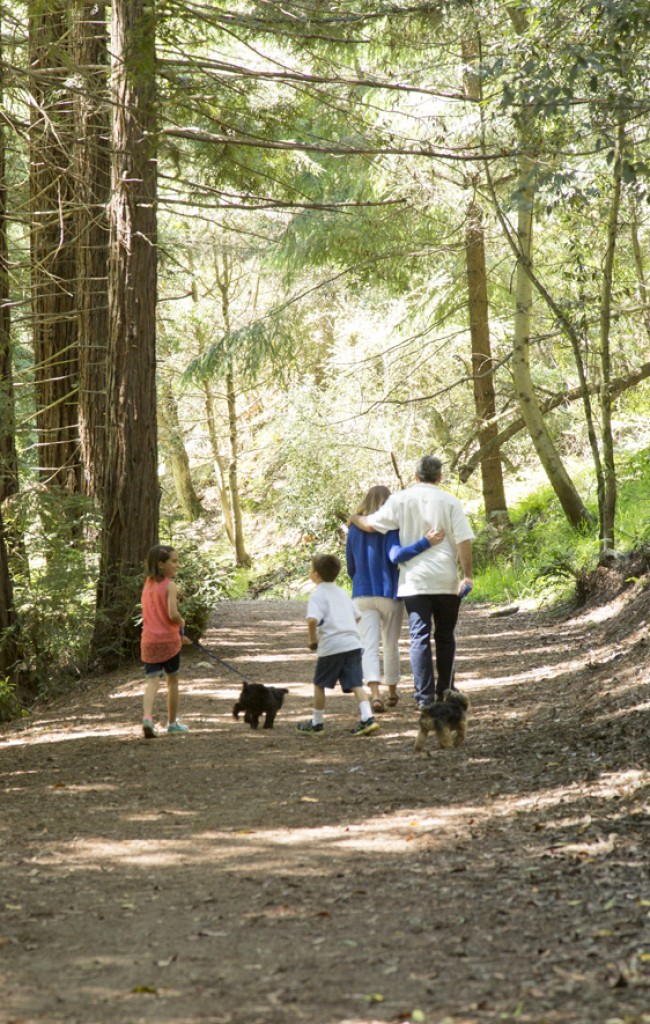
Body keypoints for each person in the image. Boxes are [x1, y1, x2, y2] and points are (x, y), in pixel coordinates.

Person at [348, 455, 474, 709]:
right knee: (446, 636)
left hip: (414, 581)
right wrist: (467, 575)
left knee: (420, 638)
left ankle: (424, 697)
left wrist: (354, 519)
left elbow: (371, 526)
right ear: (440, 477)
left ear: (415, 476)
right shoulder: (450, 501)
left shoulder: (400, 499)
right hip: (445, 579)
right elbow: (463, 541)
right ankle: (446, 689)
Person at [346, 485, 444, 713]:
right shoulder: (391, 528)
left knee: (368, 646)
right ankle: (391, 691)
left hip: (361, 594)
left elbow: (350, 566)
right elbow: (395, 556)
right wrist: (424, 543)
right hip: (389, 593)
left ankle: (375, 694)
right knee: (390, 644)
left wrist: (360, 581)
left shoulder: (353, 529)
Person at [297, 553, 379, 737]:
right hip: (352, 644)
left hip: (332, 646)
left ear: (316, 575)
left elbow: (312, 620)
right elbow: (357, 616)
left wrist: (312, 640)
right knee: (357, 684)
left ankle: (317, 723)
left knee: (319, 684)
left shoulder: (318, 595)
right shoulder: (342, 592)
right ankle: (367, 718)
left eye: (311, 570)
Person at [140, 544, 191, 738]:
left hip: (149, 642)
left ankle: (147, 719)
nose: (177, 565)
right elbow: (172, 613)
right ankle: (172, 723)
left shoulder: (147, 583)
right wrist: (182, 622)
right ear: (162, 564)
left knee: (152, 682)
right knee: (172, 681)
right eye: (174, 561)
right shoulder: (170, 585)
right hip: (169, 642)